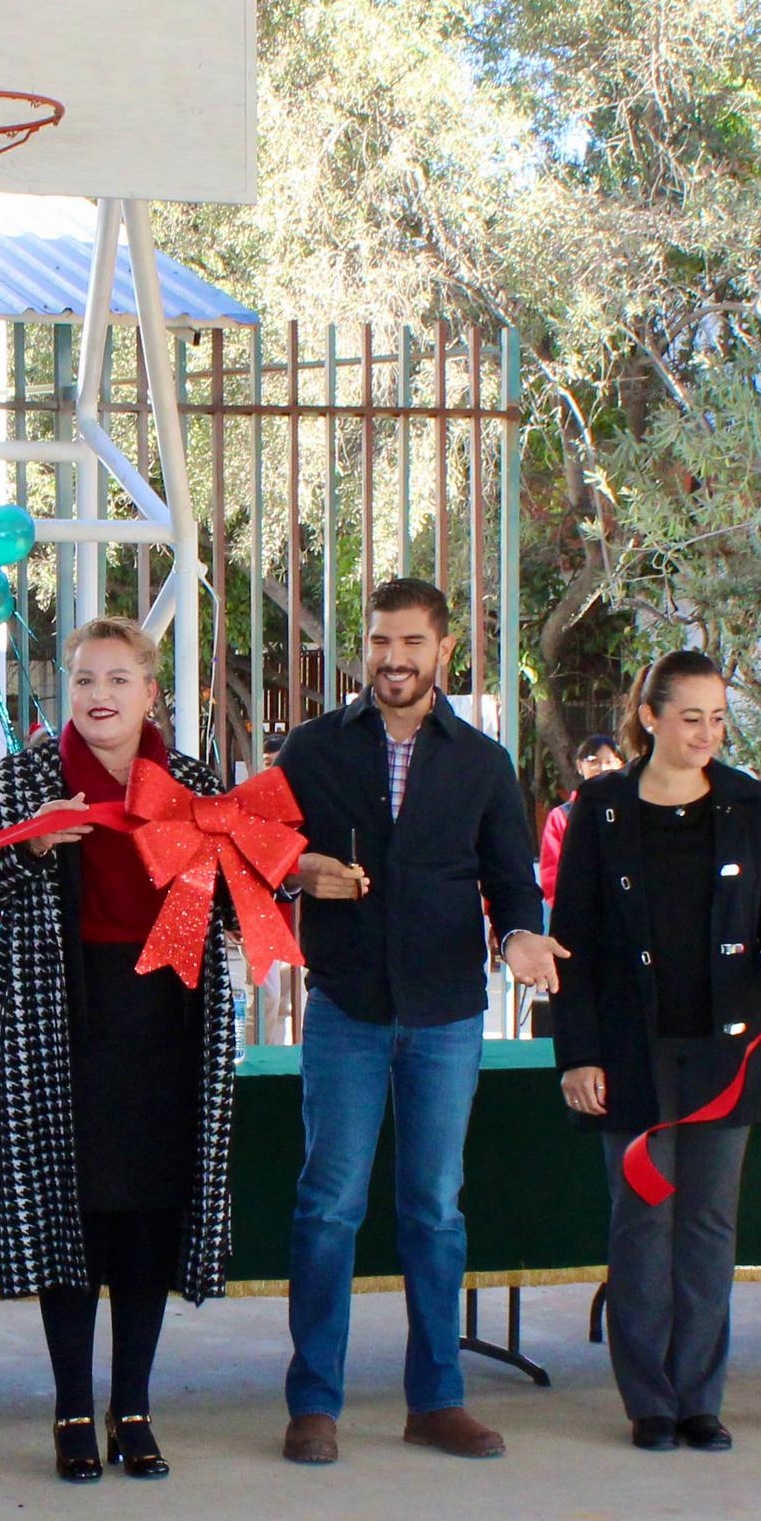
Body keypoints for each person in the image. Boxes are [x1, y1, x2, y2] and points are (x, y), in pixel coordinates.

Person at [0, 617, 242, 1482]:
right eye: (82, 681)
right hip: (57, 1026)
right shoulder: (24, 780)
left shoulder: (190, 782)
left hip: (166, 1025)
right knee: (68, 1222)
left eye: (117, 680)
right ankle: (73, 1411)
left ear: (152, 692)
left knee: (148, 1221)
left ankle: (135, 1410)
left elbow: (228, 901)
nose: (98, 696)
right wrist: (30, 844)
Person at [273, 579, 560, 1465]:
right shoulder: (312, 750)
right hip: (346, 1008)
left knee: (435, 1211)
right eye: (379, 642)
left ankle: (436, 1398)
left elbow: (513, 879)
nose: (393, 660)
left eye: (411, 644)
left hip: (445, 1015)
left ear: (444, 651)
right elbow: (262, 853)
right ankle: (313, 1404)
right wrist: (299, 871)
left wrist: (520, 936)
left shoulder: (481, 761)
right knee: (329, 1208)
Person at [550, 651, 761, 1452]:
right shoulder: (600, 809)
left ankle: (701, 1396)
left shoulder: (744, 802)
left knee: (707, 1224)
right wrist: (578, 1055)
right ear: (651, 717)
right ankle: (650, 1404)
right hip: (630, 1053)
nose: (707, 733)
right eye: (691, 716)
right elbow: (576, 946)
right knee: (642, 1222)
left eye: (718, 718)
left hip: (724, 1054)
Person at [537, 732, 625, 904]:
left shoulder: (630, 811)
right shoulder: (562, 816)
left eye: (609, 762)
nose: (602, 768)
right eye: (594, 761)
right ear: (579, 766)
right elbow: (551, 873)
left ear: (620, 765)